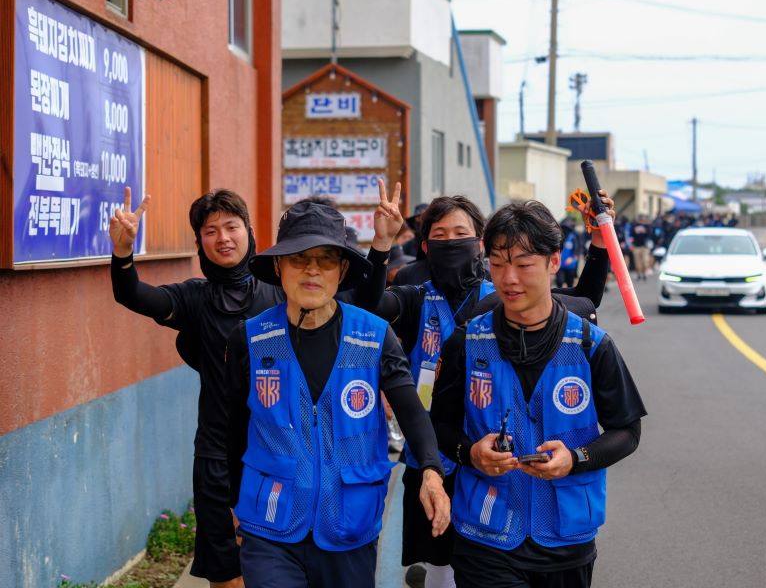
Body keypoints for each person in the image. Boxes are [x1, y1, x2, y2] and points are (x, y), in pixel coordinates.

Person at [108, 182, 402, 587]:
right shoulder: (195, 298)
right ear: (199, 242)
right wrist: (123, 254)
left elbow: (362, 302)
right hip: (219, 452)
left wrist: (381, 247)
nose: (223, 238)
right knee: (227, 573)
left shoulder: (288, 289)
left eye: (231, 226)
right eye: (210, 232)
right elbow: (137, 296)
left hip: (284, 455)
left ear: (250, 231)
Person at [370, 193, 615, 588]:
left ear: (480, 242)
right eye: (440, 235)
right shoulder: (415, 296)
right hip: (433, 452)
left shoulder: (504, 292)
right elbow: (366, 308)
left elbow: (583, 304)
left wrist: (600, 242)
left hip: (493, 462)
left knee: (476, 557)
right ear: (426, 245)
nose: (451, 242)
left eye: (461, 233)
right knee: (437, 565)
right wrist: (381, 244)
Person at [225, 201, 449, 588]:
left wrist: (431, 470)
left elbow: (413, 412)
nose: (312, 270)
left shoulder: (376, 336)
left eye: (326, 259)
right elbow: (229, 429)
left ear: (342, 269)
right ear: (279, 267)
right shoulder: (250, 338)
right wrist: (231, 503)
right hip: (270, 523)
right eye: (299, 258)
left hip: (350, 522)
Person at [430, 200, 646, 588]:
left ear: (553, 262)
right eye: (496, 263)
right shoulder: (466, 342)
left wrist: (576, 458)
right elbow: (438, 426)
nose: (508, 278)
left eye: (523, 264)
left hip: (567, 540)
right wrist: (470, 453)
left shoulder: (590, 345)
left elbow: (627, 431)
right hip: (484, 537)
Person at [556, 217, 579, 288]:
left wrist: (572, 258)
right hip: (560, 264)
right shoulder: (558, 238)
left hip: (570, 265)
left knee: (570, 283)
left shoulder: (573, 237)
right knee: (559, 281)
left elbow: (576, 250)